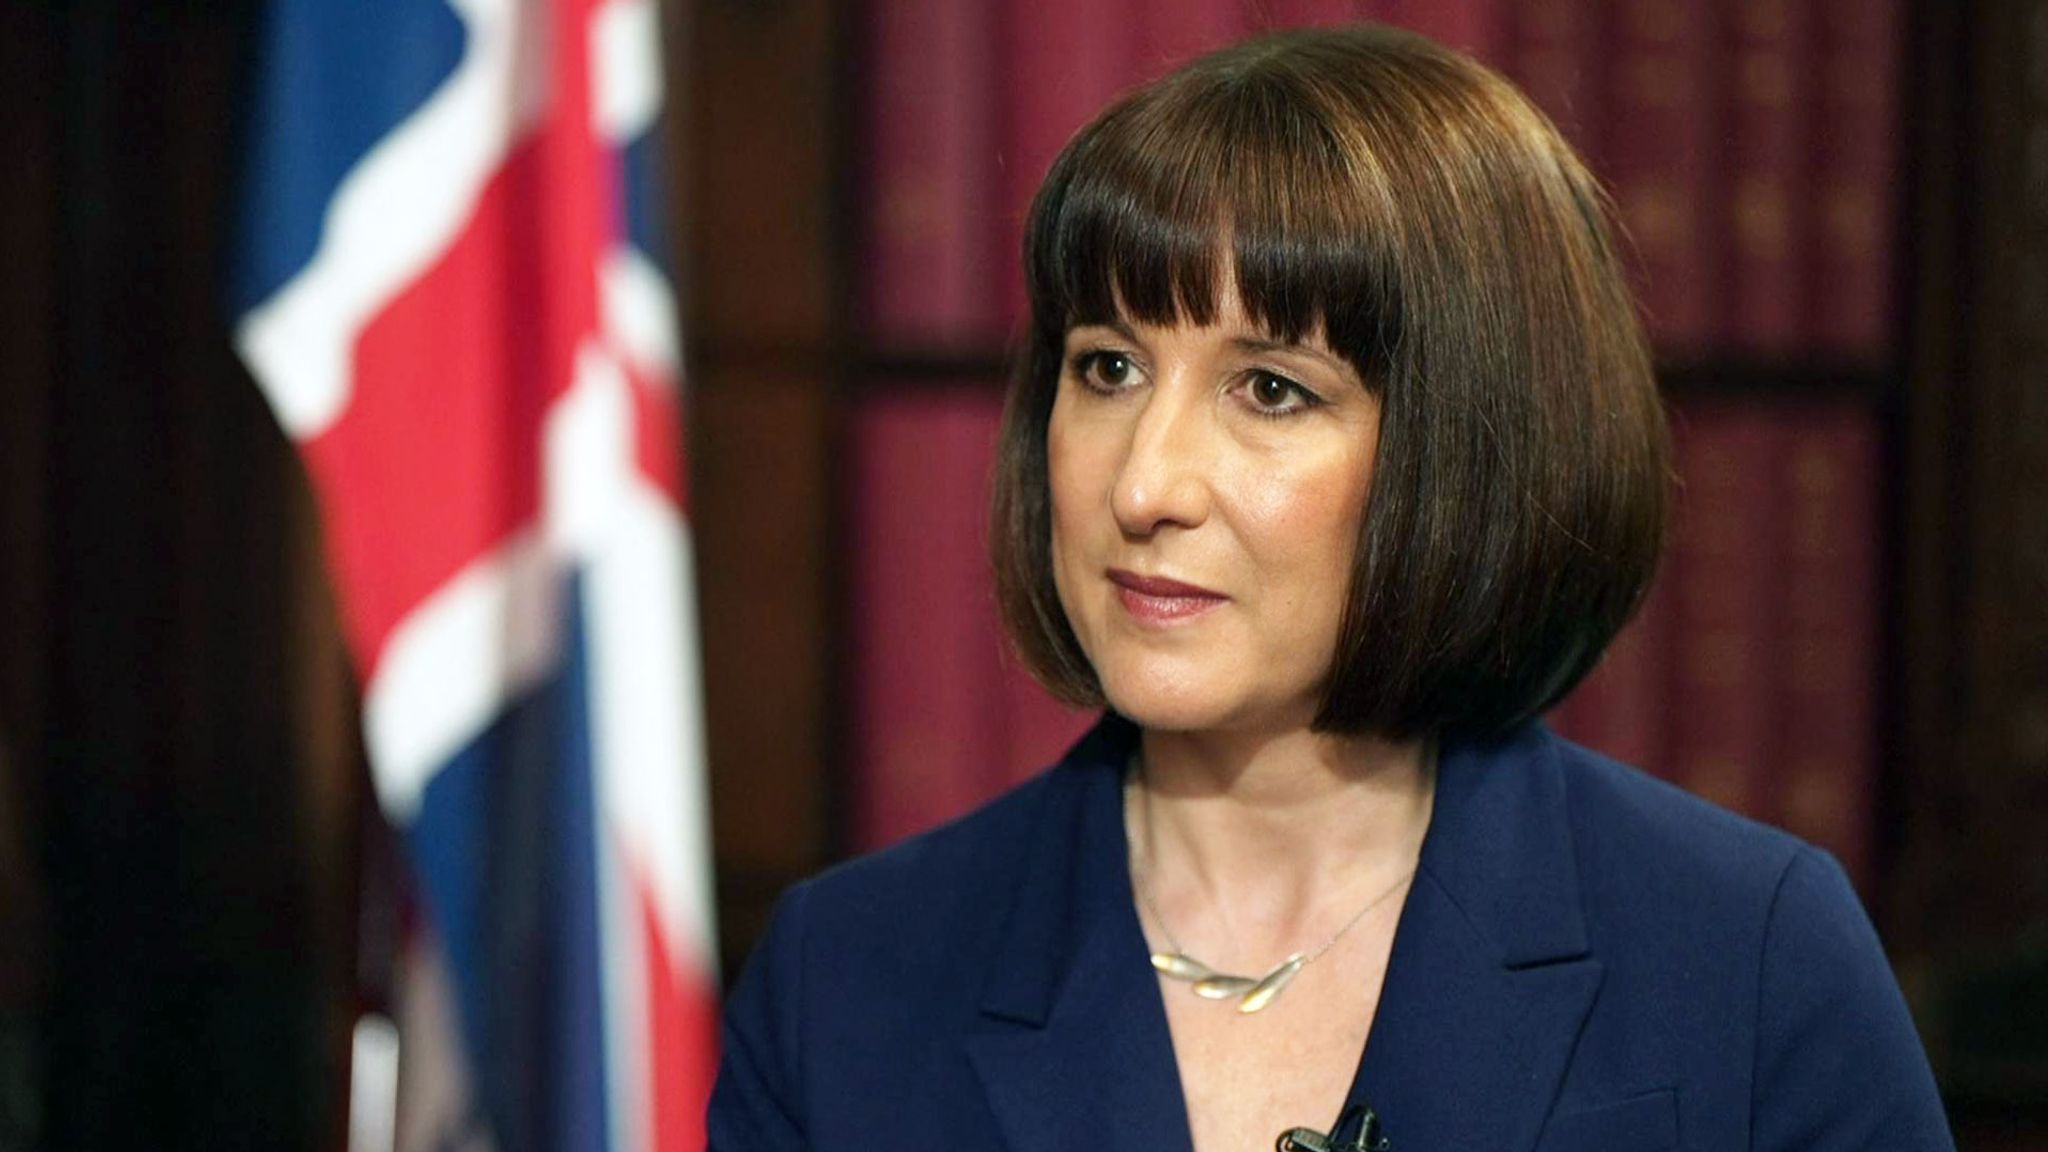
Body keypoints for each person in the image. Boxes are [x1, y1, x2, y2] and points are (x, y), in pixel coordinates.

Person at [708, 24, 1953, 1152]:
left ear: (1462, 450)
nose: (1143, 484)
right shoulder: (843, 981)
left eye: (1269, 390)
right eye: (1107, 369)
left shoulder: (1745, 956)